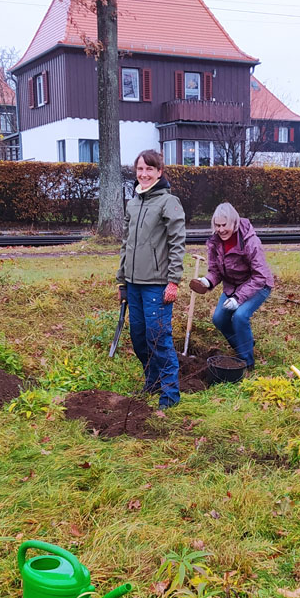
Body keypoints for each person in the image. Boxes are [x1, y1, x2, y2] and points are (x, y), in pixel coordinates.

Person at [116, 149, 186, 409]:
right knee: (139, 338)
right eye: (140, 169)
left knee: (159, 339)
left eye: (149, 169)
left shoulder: (169, 202)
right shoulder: (133, 202)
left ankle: (170, 396)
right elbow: (126, 244)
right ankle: (153, 381)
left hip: (157, 285)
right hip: (133, 284)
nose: (143, 174)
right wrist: (122, 281)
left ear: (159, 172)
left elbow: (177, 243)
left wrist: (173, 281)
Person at [189, 202, 274, 370]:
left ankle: (247, 364)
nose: (221, 230)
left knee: (240, 316)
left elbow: (259, 275)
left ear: (234, 223)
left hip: (257, 286)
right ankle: (245, 344)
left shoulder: (250, 242)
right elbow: (215, 270)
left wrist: (238, 299)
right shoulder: (215, 242)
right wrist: (207, 281)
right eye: (217, 225)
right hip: (233, 286)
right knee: (219, 319)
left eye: (224, 225)